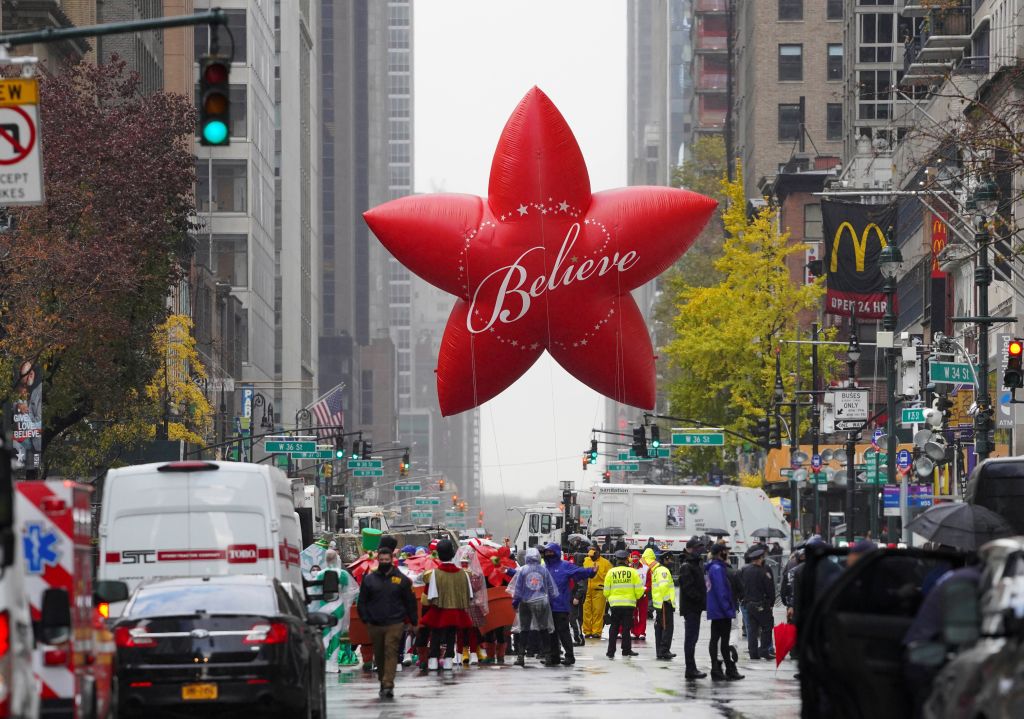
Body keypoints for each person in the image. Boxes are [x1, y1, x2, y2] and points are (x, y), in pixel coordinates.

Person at [357, 543, 418, 699]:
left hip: (395, 622)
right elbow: (362, 601)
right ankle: (383, 681)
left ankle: (388, 684)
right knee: (380, 654)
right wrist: (365, 618)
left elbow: (410, 602)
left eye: (387, 559)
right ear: (378, 560)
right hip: (375, 623)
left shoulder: (402, 580)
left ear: (392, 560)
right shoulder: (369, 580)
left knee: (391, 651)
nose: (384, 562)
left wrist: (413, 621)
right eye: (381, 559)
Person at [420, 539, 474, 671]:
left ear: (438, 554)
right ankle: (449, 661)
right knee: (452, 634)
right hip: (457, 610)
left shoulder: (434, 573)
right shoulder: (464, 574)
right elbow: (469, 595)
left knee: (436, 634)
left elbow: (431, 595)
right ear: (453, 553)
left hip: (439, 609)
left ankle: (433, 660)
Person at [542, 542, 595, 665]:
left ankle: (569, 656)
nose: (548, 554)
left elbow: (579, 571)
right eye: (546, 552)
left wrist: (591, 571)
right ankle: (554, 657)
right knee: (551, 633)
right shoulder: (544, 567)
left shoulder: (564, 566)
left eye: (550, 552)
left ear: (555, 552)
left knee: (563, 632)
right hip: (547, 607)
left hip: (560, 606)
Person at [511, 547, 558, 667]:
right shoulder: (543, 570)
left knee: (524, 629)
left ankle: (521, 656)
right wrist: (552, 598)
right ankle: (547, 655)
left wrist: (516, 599)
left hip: (525, 602)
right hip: (541, 601)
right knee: (543, 628)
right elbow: (551, 587)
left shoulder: (522, 570)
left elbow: (518, 587)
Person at [706, 543, 744, 681]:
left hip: (716, 610)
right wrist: (728, 610)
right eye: (725, 551)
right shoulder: (717, 568)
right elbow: (722, 592)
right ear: (720, 553)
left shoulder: (713, 567)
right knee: (722, 640)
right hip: (722, 611)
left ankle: (719, 668)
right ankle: (727, 668)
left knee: (717, 639)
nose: (727, 553)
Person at [603, 549, 644, 659]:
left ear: (617, 560)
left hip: (615, 605)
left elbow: (606, 592)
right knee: (626, 629)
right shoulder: (633, 572)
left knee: (614, 628)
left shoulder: (611, 572)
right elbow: (639, 590)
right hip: (629, 605)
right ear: (627, 560)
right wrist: (635, 598)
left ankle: (610, 652)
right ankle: (626, 650)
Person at [678, 537, 708, 679]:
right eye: (696, 548)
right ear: (689, 549)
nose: (699, 551)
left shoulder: (694, 564)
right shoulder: (687, 566)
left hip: (695, 608)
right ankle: (690, 668)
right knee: (691, 639)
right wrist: (701, 599)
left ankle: (691, 668)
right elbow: (689, 589)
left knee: (693, 638)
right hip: (691, 608)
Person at [739, 545, 775, 660]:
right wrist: (771, 603)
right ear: (760, 558)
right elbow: (770, 589)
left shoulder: (744, 569)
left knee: (752, 629)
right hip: (761, 604)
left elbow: (739, 585)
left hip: (748, 604)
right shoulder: (764, 571)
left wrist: (742, 598)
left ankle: (753, 652)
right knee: (767, 626)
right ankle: (764, 650)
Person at [645, 548, 675, 661]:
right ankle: (664, 650)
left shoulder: (659, 570)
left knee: (660, 627)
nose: (672, 562)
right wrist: (667, 600)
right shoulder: (664, 571)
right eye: (670, 560)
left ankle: (660, 650)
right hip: (664, 603)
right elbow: (663, 586)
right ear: (666, 560)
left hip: (660, 604)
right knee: (667, 628)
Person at [582, 543, 612, 639]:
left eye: (593, 551)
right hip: (587, 590)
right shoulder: (586, 560)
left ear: (598, 552)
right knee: (586, 611)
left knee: (598, 612)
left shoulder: (606, 563)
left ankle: (596, 632)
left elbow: (609, 577)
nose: (591, 554)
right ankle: (587, 631)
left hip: (599, 590)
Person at [629, 550, 650, 640]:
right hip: (632, 595)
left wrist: (644, 591)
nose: (635, 559)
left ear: (639, 558)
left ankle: (641, 632)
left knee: (642, 614)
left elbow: (649, 582)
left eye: (636, 557)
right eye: (633, 557)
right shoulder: (629, 569)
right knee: (633, 614)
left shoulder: (646, 568)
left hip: (643, 595)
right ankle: (634, 632)